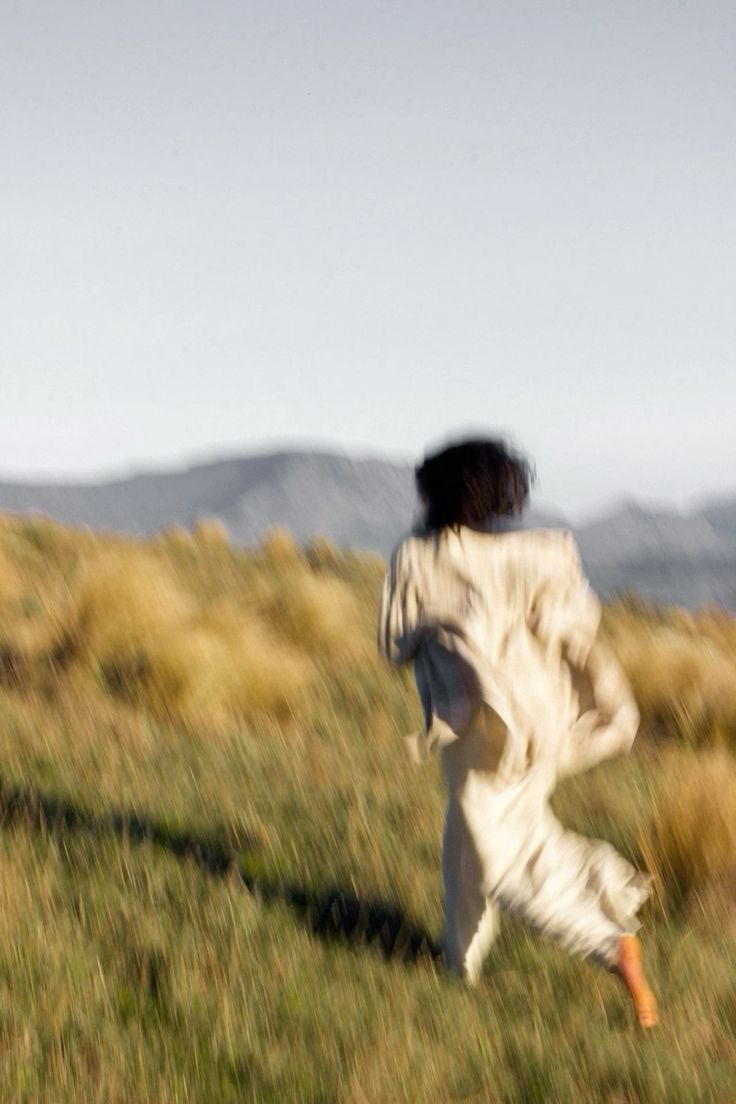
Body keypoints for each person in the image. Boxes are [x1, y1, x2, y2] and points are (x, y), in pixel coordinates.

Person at [377, 436, 658, 1028]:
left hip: (484, 727)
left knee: (508, 857)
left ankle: (609, 943)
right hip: (542, 719)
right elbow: (578, 617)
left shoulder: (420, 555)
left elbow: (394, 641)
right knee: (469, 838)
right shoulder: (537, 553)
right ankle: (460, 966)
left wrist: (444, 642)